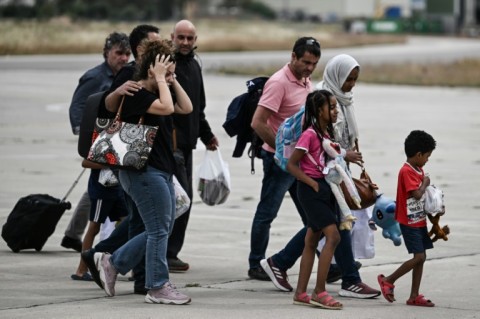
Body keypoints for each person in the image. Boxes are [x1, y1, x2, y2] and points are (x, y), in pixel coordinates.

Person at [261, 54, 380, 299]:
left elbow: (336, 143)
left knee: (322, 228)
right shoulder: (320, 102)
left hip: (334, 175)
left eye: (355, 79)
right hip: (321, 177)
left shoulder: (343, 101)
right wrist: (314, 179)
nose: (352, 84)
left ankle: (284, 266)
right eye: (349, 79)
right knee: (335, 228)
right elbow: (317, 148)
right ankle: (338, 283)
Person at [93, 39, 193, 304]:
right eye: (166, 71)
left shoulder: (161, 90)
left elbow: (186, 107)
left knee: (160, 228)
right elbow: (168, 108)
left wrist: (170, 78)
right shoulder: (137, 93)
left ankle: (113, 262)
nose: (171, 77)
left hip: (160, 170)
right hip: (142, 172)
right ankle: (157, 286)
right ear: (151, 70)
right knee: (159, 230)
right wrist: (161, 77)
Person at [81, 24, 162, 295]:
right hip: (137, 158)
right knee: (146, 221)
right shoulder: (131, 73)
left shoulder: (153, 73)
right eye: (154, 45)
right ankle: (125, 269)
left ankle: (108, 258)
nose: (160, 50)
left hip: (152, 158)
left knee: (152, 220)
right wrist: (119, 92)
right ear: (141, 48)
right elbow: (110, 107)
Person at [248, 36, 320, 281]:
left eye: (314, 64)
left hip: (300, 162)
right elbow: (258, 122)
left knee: (314, 217)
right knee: (267, 213)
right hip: (279, 163)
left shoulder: (305, 80)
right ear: (293, 56)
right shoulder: (279, 82)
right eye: (306, 62)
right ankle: (256, 263)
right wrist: (282, 153)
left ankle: (329, 264)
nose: (309, 68)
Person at [62, 32, 131, 252]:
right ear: (107, 53)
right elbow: (78, 106)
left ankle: (73, 235)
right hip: (97, 141)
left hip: (112, 140)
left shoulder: (124, 76)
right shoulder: (95, 77)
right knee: (100, 189)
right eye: (119, 53)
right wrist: (87, 138)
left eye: (127, 53)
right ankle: (87, 246)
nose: (123, 58)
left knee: (96, 190)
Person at [168, 19, 219, 272]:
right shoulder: (166, 66)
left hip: (187, 147)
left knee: (182, 201)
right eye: (181, 38)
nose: (186, 42)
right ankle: (164, 253)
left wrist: (207, 135)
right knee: (179, 201)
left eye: (190, 38)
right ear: (172, 38)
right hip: (170, 146)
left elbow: (198, 109)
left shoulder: (194, 67)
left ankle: (170, 253)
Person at [288, 90, 343, 309]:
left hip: (323, 189)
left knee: (311, 241)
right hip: (311, 190)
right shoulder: (310, 134)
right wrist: (311, 183)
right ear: (319, 111)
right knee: (334, 236)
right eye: (331, 107)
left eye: (335, 106)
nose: (335, 110)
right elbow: (291, 164)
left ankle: (300, 292)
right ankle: (319, 291)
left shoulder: (326, 135)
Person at [378, 130, 437, 307]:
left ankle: (414, 296)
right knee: (418, 257)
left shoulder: (418, 169)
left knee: (422, 256)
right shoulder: (406, 172)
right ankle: (388, 280)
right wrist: (426, 183)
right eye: (427, 156)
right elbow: (417, 194)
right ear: (418, 154)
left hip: (418, 219)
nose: (428, 159)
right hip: (409, 222)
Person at [71, 162, 128, 281]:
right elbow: (86, 162)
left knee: (127, 224)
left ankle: (133, 268)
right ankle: (81, 270)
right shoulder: (97, 143)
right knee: (94, 226)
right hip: (102, 189)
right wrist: (113, 163)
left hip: (118, 186)